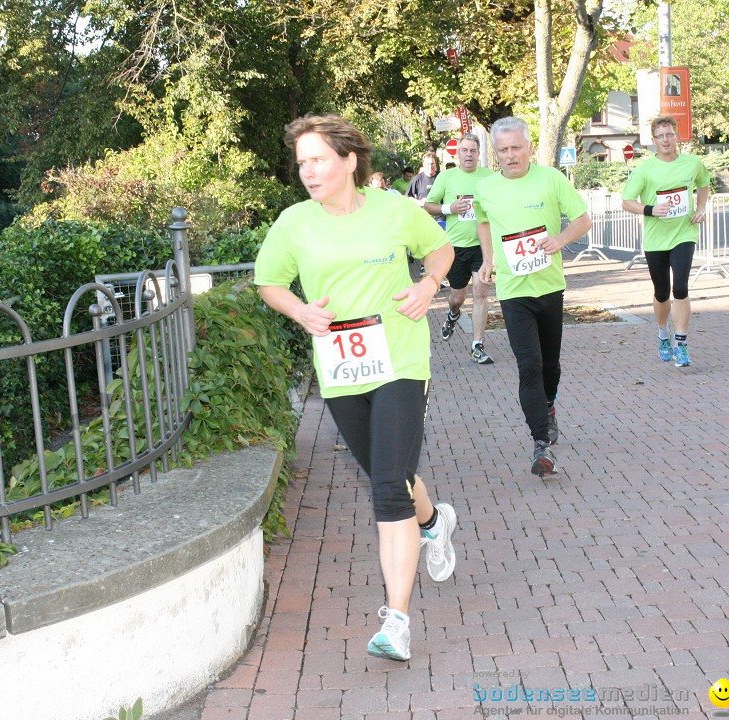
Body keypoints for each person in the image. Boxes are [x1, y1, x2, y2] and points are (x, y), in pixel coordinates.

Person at [254, 114, 458, 662]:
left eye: (318, 159)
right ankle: (434, 523)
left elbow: (442, 252)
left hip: (399, 361)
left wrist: (427, 285)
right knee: (386, 473)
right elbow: (269, 281)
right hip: (342, 370)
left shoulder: (394, 209)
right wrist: (301, 311)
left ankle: (397, 622)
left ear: (349, 160)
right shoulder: (295, 223)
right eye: (302, 163)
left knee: (387, 488)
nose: (308, 171)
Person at [474, 117, 592, 477]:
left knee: (551, 366)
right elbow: (482, 220)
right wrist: (488, 259)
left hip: (549, 287)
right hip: (513, 292)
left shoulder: (551, 179)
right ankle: (541, 443)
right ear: (496, 153)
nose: (511, 156)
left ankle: (549, 406)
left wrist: (559, 241)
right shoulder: (487, 188)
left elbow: (583, 220)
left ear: (529, 147)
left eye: (516, 148)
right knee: (529, 367)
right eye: (503, 150)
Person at [621, 114, 709, 368]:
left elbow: (704, 184)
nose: (666, 139)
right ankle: (663, 334)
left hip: (684, 234)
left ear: (677, 136)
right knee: (662, 293)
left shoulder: (692, 163)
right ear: (653, 140)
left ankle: (681, 344)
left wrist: (701, 208)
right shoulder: (645, 169)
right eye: (660, 136)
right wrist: (650, 209)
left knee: (680, 288)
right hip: (656, 240)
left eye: (670, 134)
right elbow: (627, 201)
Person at [423, 133, 495, 365]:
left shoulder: (490, 177)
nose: (469, 155)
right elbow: (428, 206)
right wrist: (450, 207)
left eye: (473, 151)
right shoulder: (447, 177)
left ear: (478, 154)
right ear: (458, 153)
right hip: (455, 248)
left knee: (481, 293)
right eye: (464, 150)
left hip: (481, 247)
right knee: (458, 297)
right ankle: (453, 314)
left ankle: (477, 345)